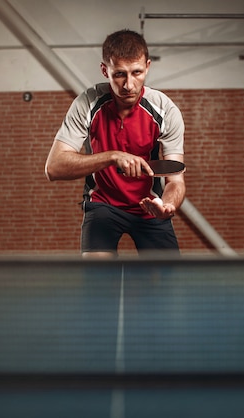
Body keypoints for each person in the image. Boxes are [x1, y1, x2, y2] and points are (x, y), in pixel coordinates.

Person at [45, 29, 186, 257]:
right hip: (103, 206)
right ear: (105, 70)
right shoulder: (87, 104)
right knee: (98, 280)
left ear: (147, 67)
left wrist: (167, 205)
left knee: (166, 285)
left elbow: (175, 180)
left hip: (149, 206)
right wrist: (112, 156)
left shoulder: (165, 111)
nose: (128, 85)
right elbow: (53, 168)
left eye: (137, 72)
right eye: (119, 74)